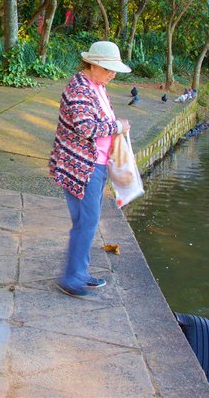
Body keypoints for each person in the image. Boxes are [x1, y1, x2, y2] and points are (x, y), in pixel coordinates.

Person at [49, 40, 131, 297]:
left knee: (86, 221)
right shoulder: (79, 89)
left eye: (114, 70)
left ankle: (79, 274)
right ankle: (72, 279)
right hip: (82, 167)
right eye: (108, 69)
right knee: (87, 222)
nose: (112, 74)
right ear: (93, 64)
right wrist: (118, 126)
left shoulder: (96, 85)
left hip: (96, 162)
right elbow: (86, 128)